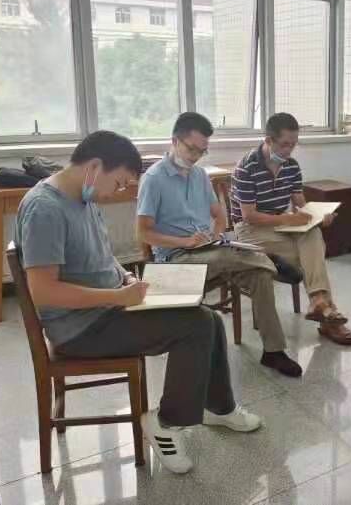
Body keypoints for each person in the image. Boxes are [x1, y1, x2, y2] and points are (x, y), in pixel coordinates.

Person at [14, 130, 261, 475]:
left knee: (209, 318)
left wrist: (127, 279)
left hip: (108, 307)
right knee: (197, 325)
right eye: (118, 183)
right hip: (81, 329)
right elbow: (43, 291)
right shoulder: (46, 209)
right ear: (95, 166)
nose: (117, 192)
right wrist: (117, 296)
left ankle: (218, 408)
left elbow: (103, 258)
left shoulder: (83, 198)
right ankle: (166, 423)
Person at [137, 113, 302, 378]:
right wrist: (184, 241)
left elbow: (220, 215)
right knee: (232, 256)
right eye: (192, 149)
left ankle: (273, 351)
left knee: (259, 275)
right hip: (176, 259)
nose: (196, 156)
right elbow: (144, 233)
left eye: (202, 151)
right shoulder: (153, 179)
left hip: (210, 249)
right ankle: (267, 258)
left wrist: (214, 235)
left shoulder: (200, 175)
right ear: (174, 141)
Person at [230, 113, 351, 346]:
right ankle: (327, 315)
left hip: (280, 224)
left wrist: (318, 217)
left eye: (293, 144)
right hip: (250, 229)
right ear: (268, 140)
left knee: (314, 233)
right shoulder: (246, 167)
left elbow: (300, 202)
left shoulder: (291, 166)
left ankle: (320, 303)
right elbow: (249, 216)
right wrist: (290, 219)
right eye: (284, 144)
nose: (289, 150)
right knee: (312, 256)